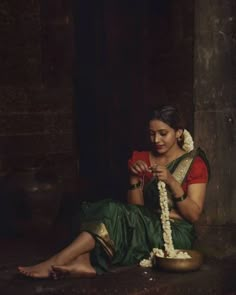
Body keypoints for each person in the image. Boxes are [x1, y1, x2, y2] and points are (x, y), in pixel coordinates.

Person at [18, 105, 210, 279]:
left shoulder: (193, 164)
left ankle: (56, 260)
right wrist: (134, 178)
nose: (156, 140)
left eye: (163, 133)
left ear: (178, 133)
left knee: (111, 210)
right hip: (145, 223)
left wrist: (171, 181)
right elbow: (136, 210)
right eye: (151, 134)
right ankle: (84, 262)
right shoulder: (142, 157)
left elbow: (193, 215)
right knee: (95, 208)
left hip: (175, 233)